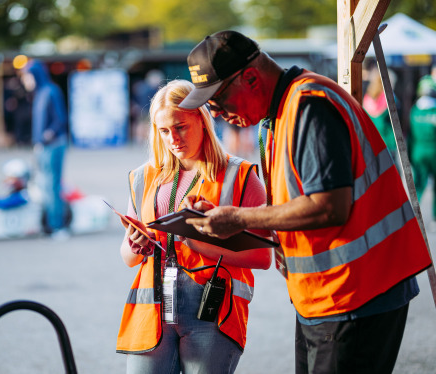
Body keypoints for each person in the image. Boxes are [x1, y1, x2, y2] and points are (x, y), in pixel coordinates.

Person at [179, 30, 432, 374]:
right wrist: (227, 220)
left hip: (357, 294)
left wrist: (239, 217)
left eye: (218, 101)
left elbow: (329, 206)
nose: (218, 113)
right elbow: (291, 208)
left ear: (250, 77)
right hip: (328, 296)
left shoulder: (309, 105)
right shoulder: (279, 116)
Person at [116, 79, 272, 374]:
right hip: (152, 309)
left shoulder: (240, 176)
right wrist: (136, 244)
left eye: (181, 127)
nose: (173, 138)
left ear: (202, 119)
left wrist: (198, 243)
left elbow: (263, 257)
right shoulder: (142, 177)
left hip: (213, 310)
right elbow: (128, 257)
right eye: (164, 131)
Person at [21, 60, 70, 239]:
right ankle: (49, 224)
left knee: (53, 186)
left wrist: (46, 137)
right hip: (43, 147)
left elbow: (60, 119)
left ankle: (58, 226)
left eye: (27, 76)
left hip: (54, 146)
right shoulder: (39, 94)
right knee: (44, 186)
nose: (25, 80)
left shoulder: (51, 91)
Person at [409, 76, 436, 230]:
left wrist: (411, 155)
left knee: (418, 186)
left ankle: (413, 216)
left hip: (418, 152)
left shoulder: (415, 110)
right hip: (434, 151)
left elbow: (410, 135)